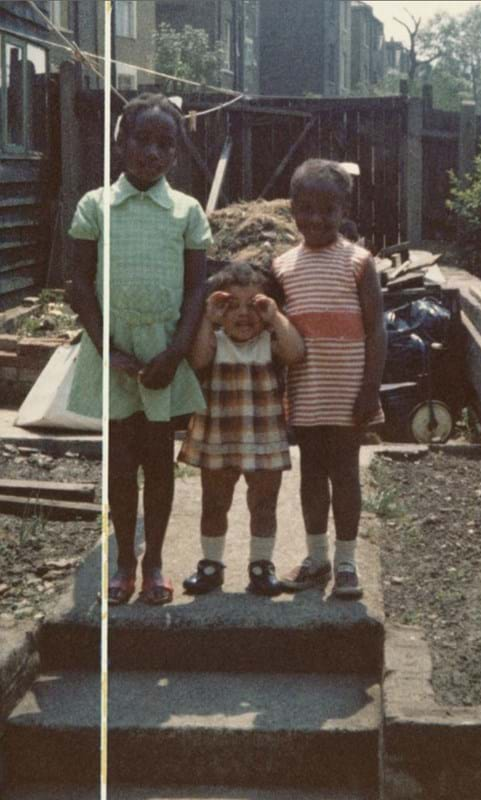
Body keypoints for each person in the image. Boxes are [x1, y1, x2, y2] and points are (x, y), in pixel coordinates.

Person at [68, 93, 212, 605]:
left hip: (163, 356)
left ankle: (154, 562)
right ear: (121, 143)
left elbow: (198, 287)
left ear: (175, 153)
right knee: (120, 461)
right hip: (114, 352)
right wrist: (109, 349)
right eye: (141, 140)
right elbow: (78, 284)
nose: (152, 152)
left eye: (165, 144)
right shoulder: (96, 205)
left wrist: (174, 354)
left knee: (158, 460)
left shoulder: (186, 211)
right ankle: (124, 560)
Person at [272, 158, 387, 599]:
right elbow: (278, 333)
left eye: (328, 209)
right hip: (306, 391)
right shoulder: (282, 266)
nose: (316, 219)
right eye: (306, 209)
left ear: (343, 210)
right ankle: (316, 558)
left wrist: (370, 389)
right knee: (310, 476)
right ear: (293, 208)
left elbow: (376, 329)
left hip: (348, 391)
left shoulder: (359, 262)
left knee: (345, 474)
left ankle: (346, 562)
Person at [178, 262, 304, 596]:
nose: (244, 314)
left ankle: (261, 566)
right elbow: (199, 361)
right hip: (217, 439)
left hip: (264, 440)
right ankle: (211, 565)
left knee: (264, 505)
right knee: (214, 503)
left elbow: (296, 351)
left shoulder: (270, 340)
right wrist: (208, 318)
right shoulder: (215, 340)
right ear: (219, 310)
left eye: (255, 305)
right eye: (232, 305)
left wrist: (275, 316)